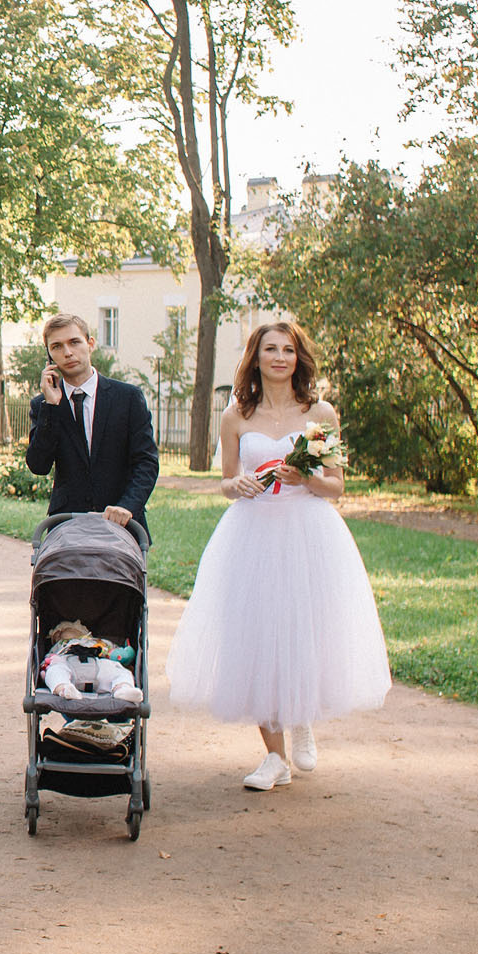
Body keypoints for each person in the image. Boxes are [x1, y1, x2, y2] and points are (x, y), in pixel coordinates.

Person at [164, 320, 390, 790]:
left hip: (307, 531)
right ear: (257, 357)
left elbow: (335, 486)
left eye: (288, 350)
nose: (280, 357)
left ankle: (301, 717)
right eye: (271, 349)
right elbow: (226, 481)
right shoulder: (236, 417)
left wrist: (303, 478)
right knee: (257, 634)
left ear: (298, 358)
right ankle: (274, 757)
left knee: (303, 629)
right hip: (253, 532)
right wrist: (238, 485)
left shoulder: (319, 413)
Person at [23, 311, 160, 539]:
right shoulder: (44, 405)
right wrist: (51, 407)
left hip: (122, 527)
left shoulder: (127, 398)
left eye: (74, 342)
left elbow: (146, 462)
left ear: (90, 344)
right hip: (66, 529)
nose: (67, 352)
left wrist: (127, 506)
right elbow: (38, 465)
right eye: (57, 346)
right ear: (49, 356)